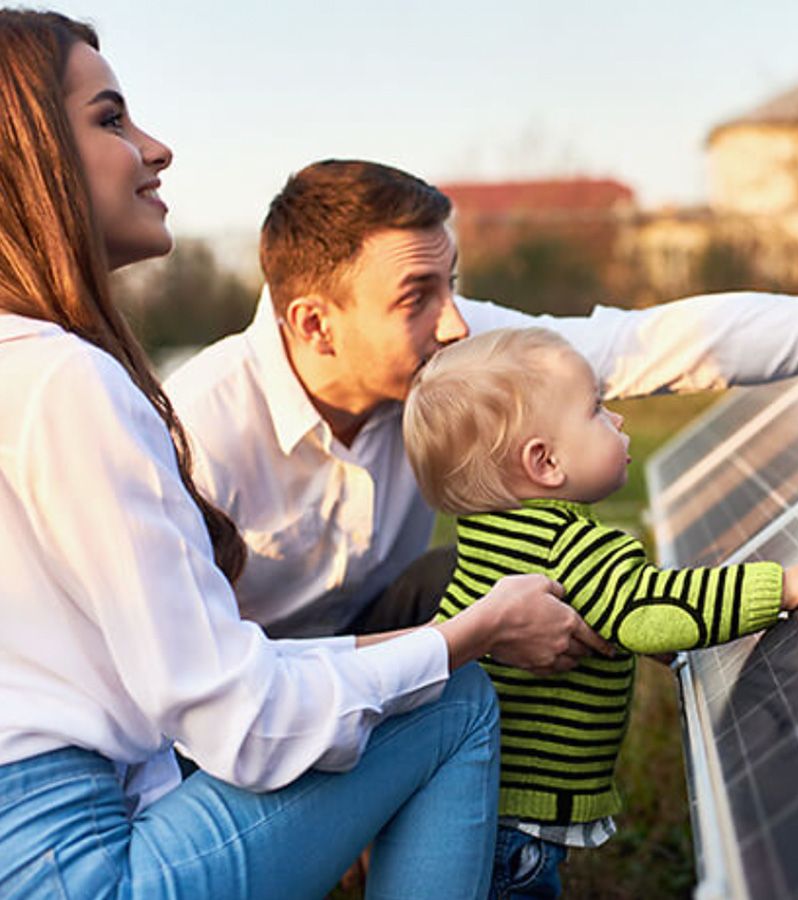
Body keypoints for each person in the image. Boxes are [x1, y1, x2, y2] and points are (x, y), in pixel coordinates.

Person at [0, 10, 607, 898]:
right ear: (26, 157)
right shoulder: (68, 382)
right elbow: (239, 723)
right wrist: (471, 636)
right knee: (456, 702)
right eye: (111, 118)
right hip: (78, 867)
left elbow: (212, 674)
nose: (156, 148)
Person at [164, 159, 798, 644]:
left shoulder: (454, 351)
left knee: (516, 580)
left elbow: (649, 342)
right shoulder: (196, 433)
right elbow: (183, 681)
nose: (452, 328)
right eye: (416, 300)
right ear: (315, 325)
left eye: (453, 286)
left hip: (377, 640)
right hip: (238, 703)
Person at [401, 326, 798, 897]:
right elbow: (650, 610)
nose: (619, 420)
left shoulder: (488, 538)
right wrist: (782, 587)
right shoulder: (570, 547)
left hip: (473, 803)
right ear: (545, 462)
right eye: (598, 410)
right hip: (516, 830)